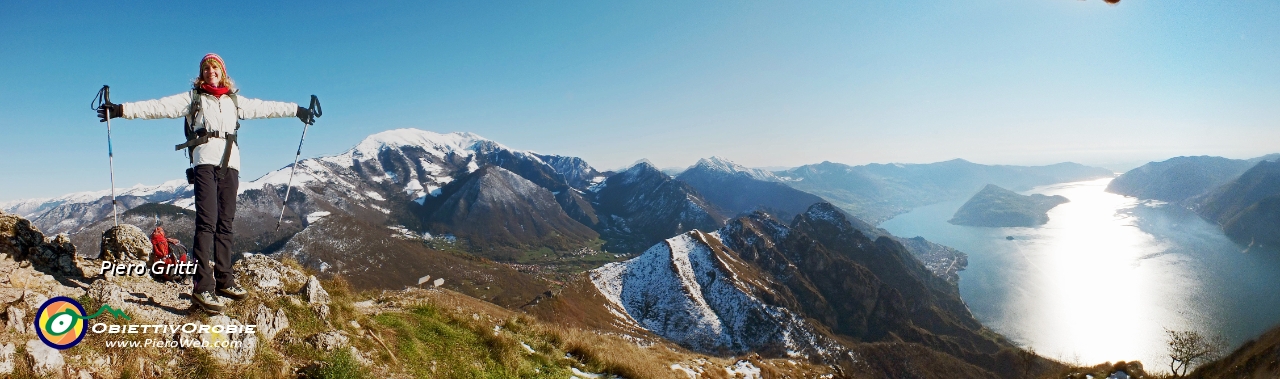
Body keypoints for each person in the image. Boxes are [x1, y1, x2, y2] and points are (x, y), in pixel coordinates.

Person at [97, 53, 314, 314]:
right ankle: (202, 286)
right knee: (207, 221)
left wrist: (298, 111)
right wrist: (121, 110)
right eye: (206, 68)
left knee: (226, 223)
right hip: (204, 163)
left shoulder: (234, 100)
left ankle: (224, 279)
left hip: (231, 165)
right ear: (202, 73)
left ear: (223, 72)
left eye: (215, 67)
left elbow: (266, 108)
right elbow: (158, 107)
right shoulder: (194, 99)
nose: (211, 71)